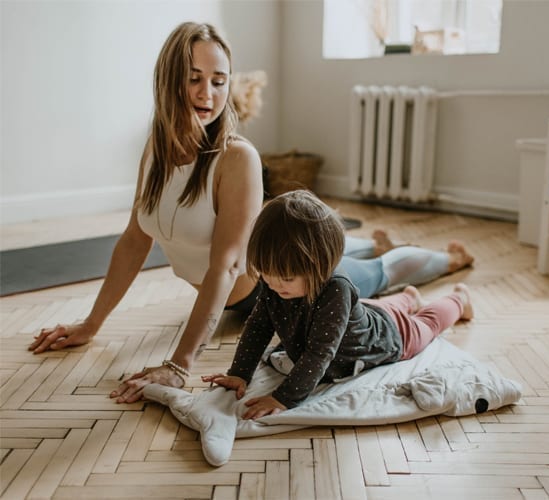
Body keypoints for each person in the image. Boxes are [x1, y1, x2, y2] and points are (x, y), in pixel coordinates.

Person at [26, 22, 474, 403]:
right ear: (168, 79)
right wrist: (91, 323)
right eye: (194, 78)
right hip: (262, 282)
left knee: (377, 272)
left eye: (219, 80)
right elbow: (133, 241)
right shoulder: (155, 151)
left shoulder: (236, 157)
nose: (208, 93)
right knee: (359, 260)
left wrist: (179, 366)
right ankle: (372, 251)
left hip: (290, 286)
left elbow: (225, 266)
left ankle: (448, 262)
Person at [201, 190, 475, 418]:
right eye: (266, 276)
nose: (274, 285)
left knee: (426, 324)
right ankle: (409, 297)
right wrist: (239, 373)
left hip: (389, 336)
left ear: (321, 265)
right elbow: (259, 326)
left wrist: (282, 398)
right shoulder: (276, 284)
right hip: (366, 312)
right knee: (379, 309)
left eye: (285, 278)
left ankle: (459, 300)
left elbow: (320, 354)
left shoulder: (336, 289)